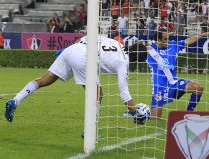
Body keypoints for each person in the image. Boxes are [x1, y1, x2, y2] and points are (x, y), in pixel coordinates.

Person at [5, 36, 148, 124]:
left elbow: (88, 37)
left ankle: (15, 100)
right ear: (138, 60)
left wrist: (68, 49)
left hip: (72, 49)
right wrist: (134, 112)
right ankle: (90, 132)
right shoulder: (123, 62)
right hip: (84, 57)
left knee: (43, 80)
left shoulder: (116, 43)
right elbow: (124, 92)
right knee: (98, 94)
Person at [146, 28, 209, 119]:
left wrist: (201, 35)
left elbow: (187, 41)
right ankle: (140, 112)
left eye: (168, 38)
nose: (168, 41)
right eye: (165, 39)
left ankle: (188, 115)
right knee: (155, 119)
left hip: (174, 83)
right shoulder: (149, 50)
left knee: (198, 87)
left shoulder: (172, 45)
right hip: (159, 88)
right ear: (158, 39)